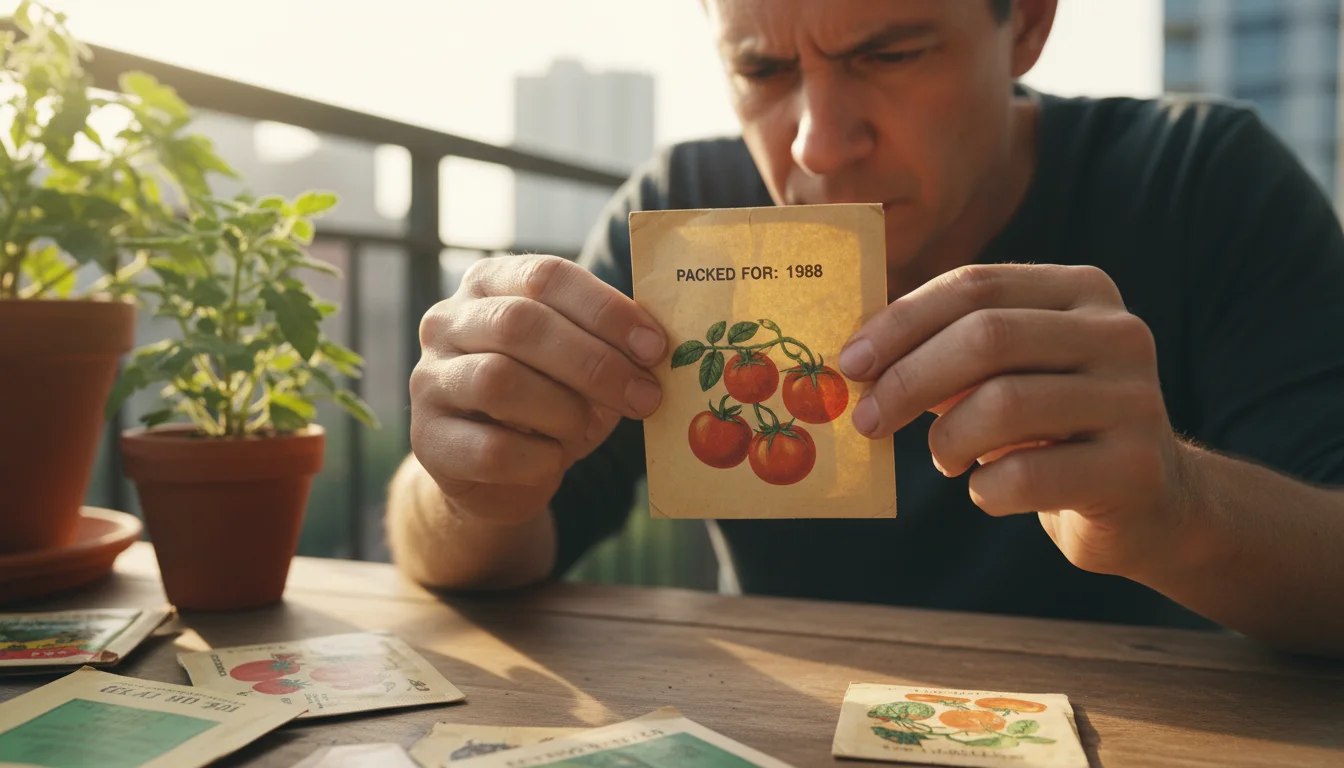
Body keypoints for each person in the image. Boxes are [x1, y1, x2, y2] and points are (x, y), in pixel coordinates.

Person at [386, 0, 1344, 658]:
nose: (815, 143)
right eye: (761, 68)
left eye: (888, 54)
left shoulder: (1201, 181)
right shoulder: (689, 207)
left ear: (1028, 24)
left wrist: (1178, 505)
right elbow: (477, 544)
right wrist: (464, 480)